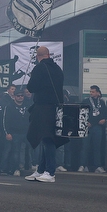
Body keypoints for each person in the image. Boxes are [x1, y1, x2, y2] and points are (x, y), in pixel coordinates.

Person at [25, 45, 67, 183]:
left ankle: (50, 171)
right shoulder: (58, 69)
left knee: (47, 139)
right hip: (57, 108)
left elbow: (31, 87)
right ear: (49, 55)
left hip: (43, 108)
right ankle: (41, 170)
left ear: (38, 57)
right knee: (46, 138)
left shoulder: (39, 68)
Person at [79, 85, 107, 173]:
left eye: (93, 92)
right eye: (90, 92)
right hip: (88, 127)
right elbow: (82, 113)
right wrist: (86, 122)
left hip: (98, 127)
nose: (91, 93)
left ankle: (98, 165)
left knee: (97, 147)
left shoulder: (101, 102)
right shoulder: (85, 101)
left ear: (97, 92)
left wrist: (104, 119)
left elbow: (105, 113)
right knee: (85, 146)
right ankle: (83, 165)